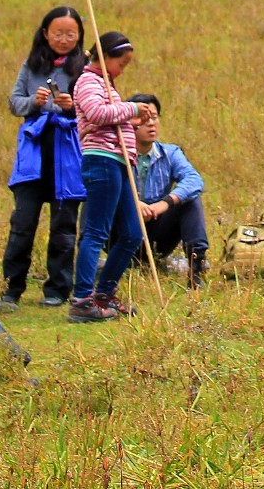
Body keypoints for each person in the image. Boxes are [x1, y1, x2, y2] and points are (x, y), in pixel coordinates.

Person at [0, 6, 88, 310]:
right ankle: (11, 288)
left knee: (64, 223)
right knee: (22, 222)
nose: (63, 39)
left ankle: (58, 289)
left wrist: (72, 106)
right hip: (34, 150)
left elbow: (94, 108)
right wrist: (33, 103)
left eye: (70, 34)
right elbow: (14, 102)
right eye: (57, 33)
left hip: (67, 150)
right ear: (45, 33)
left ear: (79, 36)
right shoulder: (31, 64)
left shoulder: (85, 67)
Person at [68, 30, 159, 323]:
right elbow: (95, 113)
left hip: (120, 163)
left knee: (132, 233)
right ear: (105, 57)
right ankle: (82, 300)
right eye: (121, 63)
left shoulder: (108, 85)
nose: (123, 69)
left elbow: (110, 117)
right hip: (102, 161)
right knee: (96, 231)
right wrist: (132, 107)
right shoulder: (87, 81)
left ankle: (104, 295)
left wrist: (131, 119)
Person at [126, 94, 209, 288]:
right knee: (96, 197)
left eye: (154, 117)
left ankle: (196, 269)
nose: (151, 124)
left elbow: (194, 180)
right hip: (123, 230)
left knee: (190, 198)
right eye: (144, 119)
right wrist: (132, 204)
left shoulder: (170, 153)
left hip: (157, 233)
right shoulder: (117, 153)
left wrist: (164, 204)